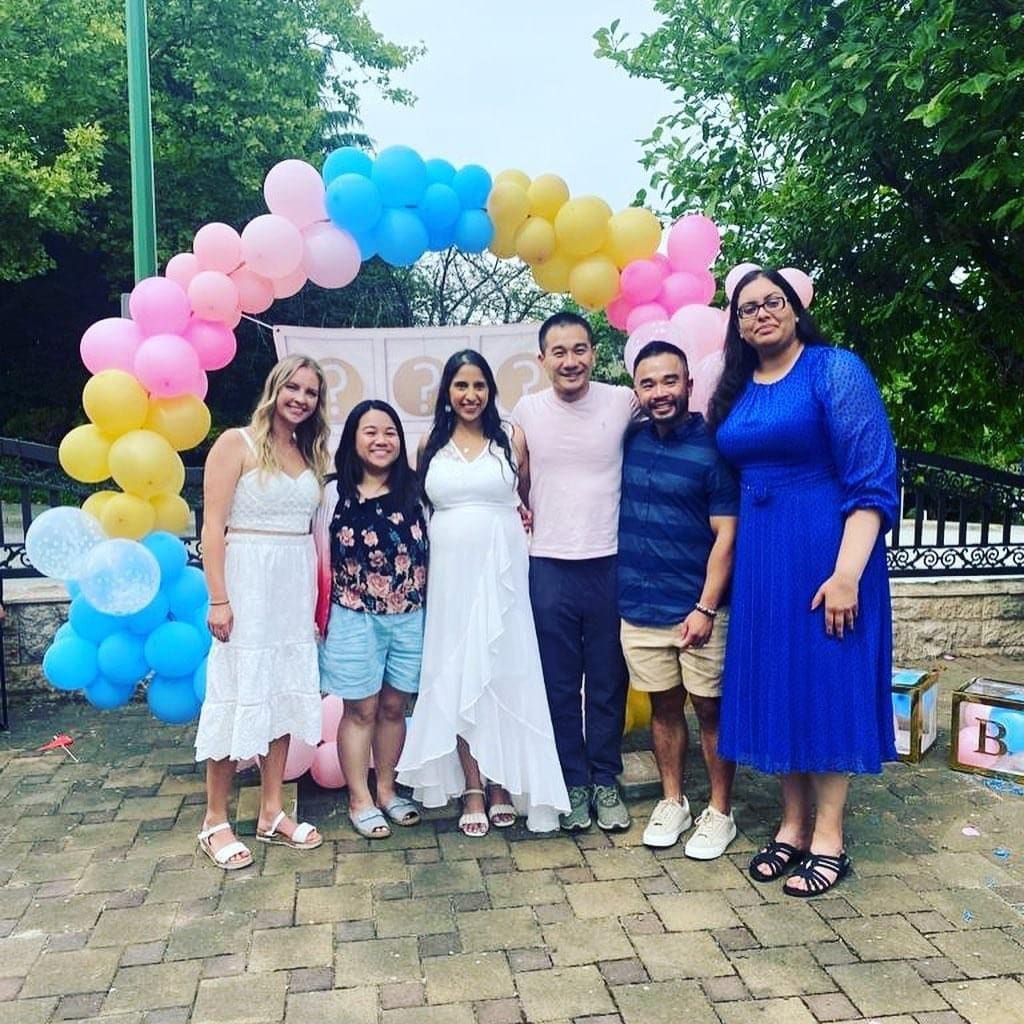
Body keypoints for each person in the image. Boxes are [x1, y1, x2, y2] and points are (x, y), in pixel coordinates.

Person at [709, 268, 899, 897]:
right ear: (736, 325)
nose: (761, 313)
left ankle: (829, 839)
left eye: (773, 302)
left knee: (825, 684)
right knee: (778, 685)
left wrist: (848, 574)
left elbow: (870, 481)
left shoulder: (834, 370)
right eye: (747, 308)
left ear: (794, 310)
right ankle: (791, 828)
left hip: (826, 554)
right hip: (764, 563)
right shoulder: (737, 389)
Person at [397, 349, 569, 835]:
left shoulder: (511, 438)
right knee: (458, 672)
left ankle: (501, 783)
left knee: (504, 671)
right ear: (448, 393)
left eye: (478, 385)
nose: (470, 395)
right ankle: (472, 786)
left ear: (490, 391)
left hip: (505, 570)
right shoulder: (428, 443)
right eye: (460, 386)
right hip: (451, 572)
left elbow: (528, 495)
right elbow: (421, 508)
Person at [194, 355, 330, 869]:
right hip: (247, 580)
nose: (300, 398)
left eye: (311, 393)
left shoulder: (308, 450)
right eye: (293, 387)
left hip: (292, 584)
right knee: (236, 693)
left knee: (279, 694)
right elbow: (211, 527)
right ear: (275, 388)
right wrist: (219, 597)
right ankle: (214, 820)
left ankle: (272, 811)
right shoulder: (237, 443)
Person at [512, 312, 638, 831]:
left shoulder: (622, 401)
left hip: (610, 561)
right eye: (559, 352)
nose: (571, 361)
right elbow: (514, 476)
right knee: (559, 684)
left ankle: (606, 780)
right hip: (548, 564)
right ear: (542, 360)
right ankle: (573, 780)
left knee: (608, 681)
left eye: (580, 349)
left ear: (593, 353)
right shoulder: (527, 409)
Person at [619, 340, 739, 857]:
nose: (660, 392)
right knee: (664, 709)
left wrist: (706, 608)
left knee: (711, 711)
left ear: (689, 385)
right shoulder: (631, 440)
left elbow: (727, 537)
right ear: (637, 392)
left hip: (700, 611)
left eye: (670, 381)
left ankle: (720, 811)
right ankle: (674, 800)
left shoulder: (715, 448)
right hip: (641, 606)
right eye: (648, 384)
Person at [313, 400, 427, 840]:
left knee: (395, 707)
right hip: (352, 616)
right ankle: (359, 798)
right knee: (360, 709)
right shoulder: (331, 493)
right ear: (353, 439)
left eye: (390, 433)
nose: (382, 441)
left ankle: (386, 790)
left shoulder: (417, 492)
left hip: (410, 616)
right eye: (370, 432)